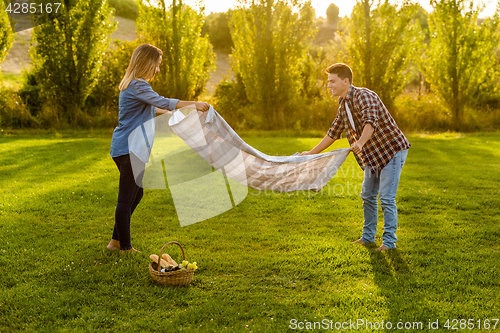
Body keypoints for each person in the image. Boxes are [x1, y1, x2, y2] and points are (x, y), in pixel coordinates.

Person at [107, 43, 210, 253]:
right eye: (157, 65)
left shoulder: (133, 85)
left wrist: (166, 113)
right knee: (126, 199)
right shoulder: (138, 85)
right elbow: (158, 100)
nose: (158, 69)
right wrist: (193, 104)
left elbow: (149, 107)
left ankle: (115, 242)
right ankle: (124, 247)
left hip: (127, 148)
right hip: (130, 149)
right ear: (147, 63)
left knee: (136, 195)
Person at [301, 63, 410, 251]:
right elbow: (333, 133)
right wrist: (311, 153)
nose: (329, 85)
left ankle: (389, 243)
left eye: (332, 81)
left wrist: (360, 142)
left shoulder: (365, 96)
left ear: (346, 81)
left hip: (391, 151)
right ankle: (368, 237)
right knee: (367, 195)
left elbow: (370, 123)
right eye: (328, 82)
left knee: (386, 197)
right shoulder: (343, 105)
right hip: (373, 156)